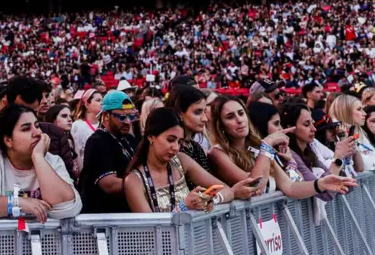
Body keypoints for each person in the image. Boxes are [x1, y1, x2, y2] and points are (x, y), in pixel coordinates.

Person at [0, 104, 81, 222]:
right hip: (0, 246)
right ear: (8, 141)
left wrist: (38, 158)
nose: (37, 133)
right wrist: (15, 203)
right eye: (26, 129)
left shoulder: (52, 161)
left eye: (37, 126)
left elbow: (68, 208)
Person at [124, 108, 257, 214]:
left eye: (179, 141)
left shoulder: (181, 160)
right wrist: (183, 207)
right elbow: (150, 229)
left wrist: (210, 200)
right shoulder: (134, 180)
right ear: (151, 137)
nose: (175, 147)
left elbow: (226, 190)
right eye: (170, 140)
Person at [0, 77, 76, 176]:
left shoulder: (55, 134)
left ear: (39, 105)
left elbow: (68, 183)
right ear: (5, 104)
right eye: (19, 110)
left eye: (31, 111)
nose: (26, 116)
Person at [79, 91, 139, 214]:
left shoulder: (128, 138)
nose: (128, 122)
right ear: (106, 116)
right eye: (122, 117)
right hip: (104, 220)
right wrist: (146, 183)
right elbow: (110, 185)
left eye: (131, 116)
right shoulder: (97, 142)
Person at [171, 86, 212, 174]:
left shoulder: (195, 147)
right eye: (197, 112)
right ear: (179, 113)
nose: (204, 118)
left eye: (204, 111)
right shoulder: (172, 150)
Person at [325, 94, 368, 172]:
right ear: (345, 111)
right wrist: (343, 139)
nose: (364, 113)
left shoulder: (357, 131)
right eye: (359, 109)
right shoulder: (330, 134)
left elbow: (362, 167)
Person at [70, 89, 103, 173]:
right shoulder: (78, 125)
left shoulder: (104, 125)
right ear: (87, 104)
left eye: (102, 100)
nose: (102, 103)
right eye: (98, 100)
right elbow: (76, 153)